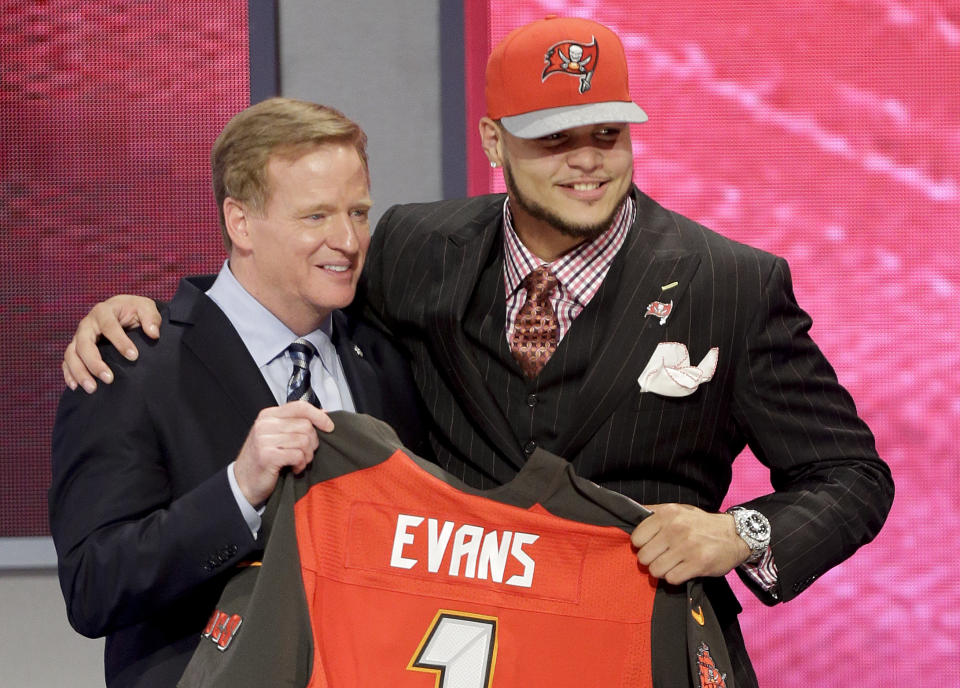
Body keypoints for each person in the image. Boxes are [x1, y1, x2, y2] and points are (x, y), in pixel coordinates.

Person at [61, 17, 894, 686]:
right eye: (554, 138)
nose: (587, 161)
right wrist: (152, 308)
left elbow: (853, 477)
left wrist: (737, 533)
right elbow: (277, 284)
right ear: (494, 144)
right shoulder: (415, 250)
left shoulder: (731, 284)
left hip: (643, 652)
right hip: (452, 655)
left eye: (607, 131)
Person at [49, 97, 425, 687]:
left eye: (358, 212)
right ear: (240, 222)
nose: (348, 241)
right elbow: (94, 587)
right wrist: (238, 490)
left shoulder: (386, 360)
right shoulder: (129, 366)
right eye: (315, 216)